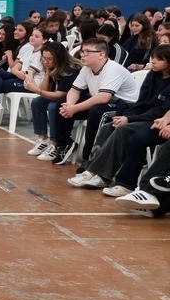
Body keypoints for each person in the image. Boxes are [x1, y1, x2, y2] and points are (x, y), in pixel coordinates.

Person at [68, 46, 170, 193]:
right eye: (153, 57)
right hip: (144, 116)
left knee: (125, 130)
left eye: (159, 59)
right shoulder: (152, 75)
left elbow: (160, 111)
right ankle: (92, 169)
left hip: (158, 120)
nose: (153, 61)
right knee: (109, 126)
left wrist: (129, 119)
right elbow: (141, 103)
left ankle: (103, 175)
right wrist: (126, 116)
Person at [57, 38, 141, 168]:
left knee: (97, 112)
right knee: (62, 103)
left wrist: (74, 108)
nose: (82, 55)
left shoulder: (112, 69)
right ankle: (65, 144)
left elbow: (103, 98)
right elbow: (74, 90)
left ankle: (90, 159)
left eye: (87, 52)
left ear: (101, 54)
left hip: (125, 106)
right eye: (82, 51)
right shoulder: (86, 69)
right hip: (104, 102)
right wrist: (70, 105)